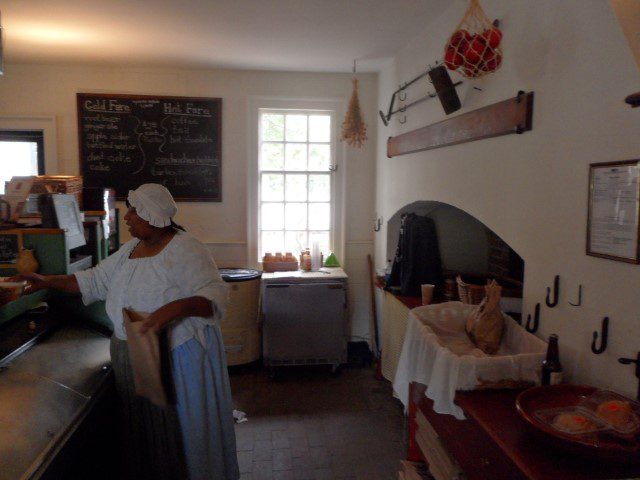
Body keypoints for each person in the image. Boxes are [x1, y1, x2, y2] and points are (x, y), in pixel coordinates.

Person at [18, 183, 239, 480]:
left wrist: (166, 313)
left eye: (134, 211)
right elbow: (92, 280)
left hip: (174, 358)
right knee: (146, 435)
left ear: (151, 214)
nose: (127, 217)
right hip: (134, 353)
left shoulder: (185, 248)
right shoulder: (130, 251)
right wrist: (46, 281)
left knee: (179, 434)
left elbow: (213, 297)